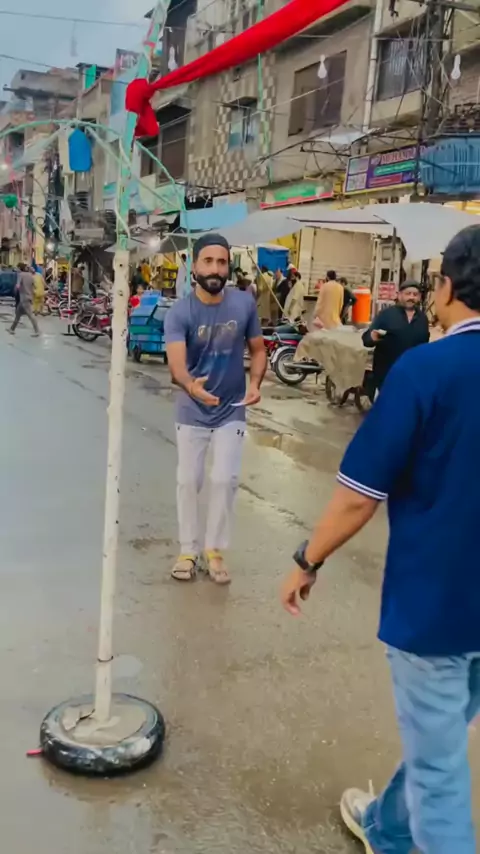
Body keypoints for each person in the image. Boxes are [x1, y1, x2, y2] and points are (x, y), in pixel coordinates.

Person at [280, 223, 480, 854]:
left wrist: (307, 559)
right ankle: (389, 829)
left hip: (435, 608)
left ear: (445, 287)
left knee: (440, 775)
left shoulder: (427, 369)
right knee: (439, 740)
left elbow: (358, 496)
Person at [165, 233, 267, 585]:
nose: (215, 269)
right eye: (208, 261)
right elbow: (176, 366)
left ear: (229, 267)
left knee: (225, 479)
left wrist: (255, 383)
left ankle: (214, 550)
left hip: (232, 409)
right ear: (194, 266)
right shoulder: (180, 312)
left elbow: (258, 350)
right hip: (192, 410)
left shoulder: (244, 304)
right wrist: (190, 385)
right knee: (187, 480)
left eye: (222, 262)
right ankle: (187, 551)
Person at [362, 280, 429, 391]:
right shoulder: (386, 315)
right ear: (399, 295)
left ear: (419, 297)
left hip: (412, 376)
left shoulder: (423, 319)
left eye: (415, 294)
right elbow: (366, 339)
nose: (411, 297)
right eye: (408, 294)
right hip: (387, 375)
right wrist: (372, 337)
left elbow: (424, 345)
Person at [8, 263, 40, 336]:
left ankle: (37, 331)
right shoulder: (30, 275)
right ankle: (12, 329)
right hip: (28, 297)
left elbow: (18, 285)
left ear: (20, 268)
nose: (16, 269)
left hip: (24, 298)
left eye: (17, 268)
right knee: (18, 314)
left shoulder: (21, 275)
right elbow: (34, 286)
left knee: (30, 315)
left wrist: (15, 290)